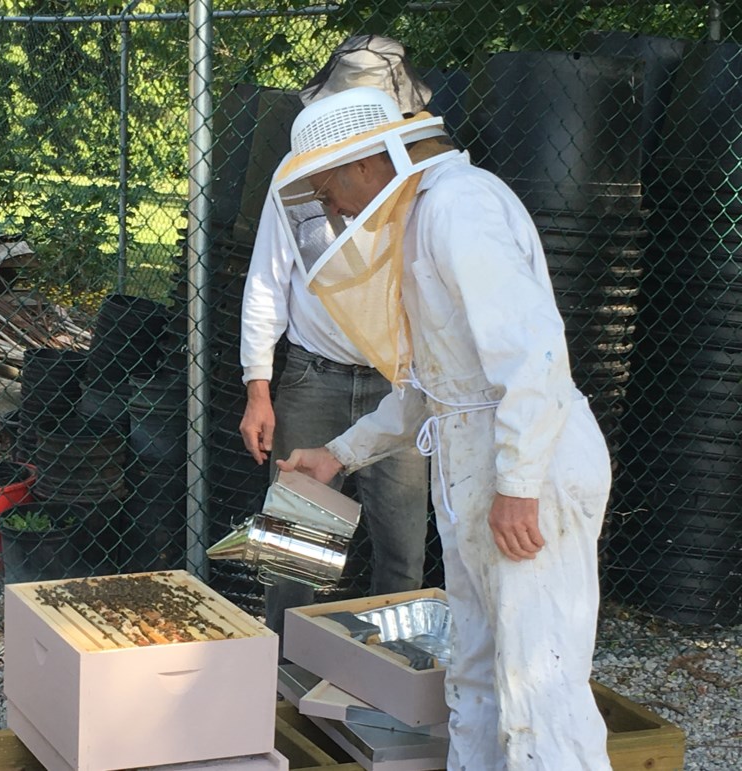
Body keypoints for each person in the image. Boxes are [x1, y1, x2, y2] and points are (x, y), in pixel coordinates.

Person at [272, 86, 613, 770]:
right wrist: (337, 455)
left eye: (328, 187)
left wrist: (518, 484)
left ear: (365, 166)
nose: (332, 208)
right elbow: (431, 388)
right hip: (484, 470)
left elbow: (535, 355)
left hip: (528, 474)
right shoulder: (424, 218)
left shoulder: (460, 209)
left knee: (538, 688)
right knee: (479, 675)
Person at [239, 36, 433, 642]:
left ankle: (396, 679)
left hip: (397, 387)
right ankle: (281, 677)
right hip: (311, 380)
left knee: (402, 553)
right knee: (294, 553)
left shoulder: (423, 181)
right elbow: (267, 281)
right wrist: (258, 389)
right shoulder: (294, 178)